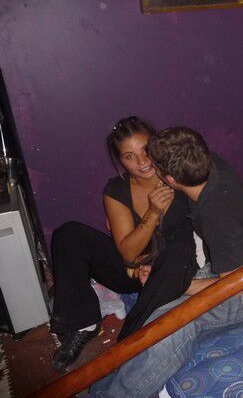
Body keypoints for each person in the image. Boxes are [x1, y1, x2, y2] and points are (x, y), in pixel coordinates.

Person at [90, 127, 243, 397]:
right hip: (232, 267)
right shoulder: (205, 164)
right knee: (158, 310)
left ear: (170, 180)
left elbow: (234, 285)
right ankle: (109, 379)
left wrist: (181, 284)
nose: (145, 165)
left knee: (173, 325)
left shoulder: (216, 214)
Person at [50, 116, 198, 370]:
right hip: (131, 271)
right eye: (129, 156)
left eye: (146, 150)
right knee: (68, 234)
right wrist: (153, 212)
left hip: (172, 269)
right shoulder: (116, 190)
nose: (142, 162)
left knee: (176, 257)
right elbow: (128, 253)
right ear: (120, 160)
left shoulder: (178, 174)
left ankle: (127, 342)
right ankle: (84, 323)